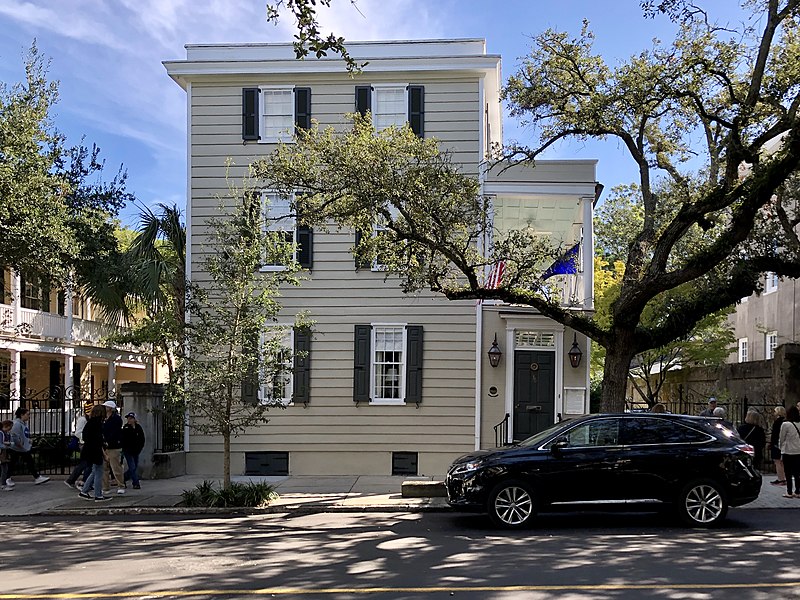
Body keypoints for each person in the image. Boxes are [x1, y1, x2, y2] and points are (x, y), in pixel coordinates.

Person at [6, 407, 50, 487]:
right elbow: (14, 436)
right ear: (22, 415)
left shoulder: (23, 423)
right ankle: (7, 478)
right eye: (27, 414)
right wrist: (19, 444)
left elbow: (23, 435)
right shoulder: (17, 424)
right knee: (15, 463)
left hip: (22, 447)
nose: (29, 416)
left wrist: (28, 440)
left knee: (27, 462)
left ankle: (36, 477)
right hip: (17, 448)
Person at [78, 404, 112, 502]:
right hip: (95, 451)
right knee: (98, 472)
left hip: (89, 449)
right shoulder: (97, 424)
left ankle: (84, 491)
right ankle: (98, 495)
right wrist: (104, 454)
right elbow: (98, 441)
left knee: (94, 471)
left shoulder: (90, 423)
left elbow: (85, 437)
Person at [101, 400, 126, 495]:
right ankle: (105, 487)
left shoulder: (116, 419)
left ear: (110, 408)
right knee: (104, 468)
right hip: (104, 446)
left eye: (106, 407)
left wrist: (108, 440)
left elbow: (115, 432)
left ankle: (121, 485)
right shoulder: (103, 418)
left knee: (116, 467)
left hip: (114, 446)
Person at [64, 408, 90, 489]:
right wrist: (87, 438)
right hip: (84, 444)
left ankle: (75, 480)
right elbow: (78, 433)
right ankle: (82, 481)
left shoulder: (87, 419)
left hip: (85, 443)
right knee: (86, 463)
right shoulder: (83, 420)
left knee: (85, 463)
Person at [778, 404, 800, 499]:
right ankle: (798, 491)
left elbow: (782, 438)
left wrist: (780, 447)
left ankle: (789, 491)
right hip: (798, 450)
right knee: (797, 472)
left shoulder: (786, 424)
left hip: (788, 451)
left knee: (788, 472)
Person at [121, 412, 145, 490]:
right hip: (128, 451)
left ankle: (123, 478)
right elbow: (124, 439)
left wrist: (140, 448)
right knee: (132, 466)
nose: (129, 420)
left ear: (134, 419)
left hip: (136, 451)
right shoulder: (126, 428)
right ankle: (136, 483)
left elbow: (142, 439)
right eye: (128, 418)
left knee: (134, 467)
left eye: (131, 418)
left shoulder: (138, 428)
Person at [770, 406, 787, 486]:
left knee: (777, 462)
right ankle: (783, 478)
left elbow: (775, 435)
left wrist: (772, 444)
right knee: (782, 462)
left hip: (776, 444)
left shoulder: (777, 422)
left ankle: (781, 479)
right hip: (783, 444)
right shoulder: (785, 421)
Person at [1, 419, 13, 491]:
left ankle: (3, 484)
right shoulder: (1, 433)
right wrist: (8, 444)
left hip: (4, 452)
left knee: (4, 468)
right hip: (2, 453)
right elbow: (1, 443)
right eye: (10, 427)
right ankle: (3, 485)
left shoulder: (6, 433)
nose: (11, 428)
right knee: (4, 469)